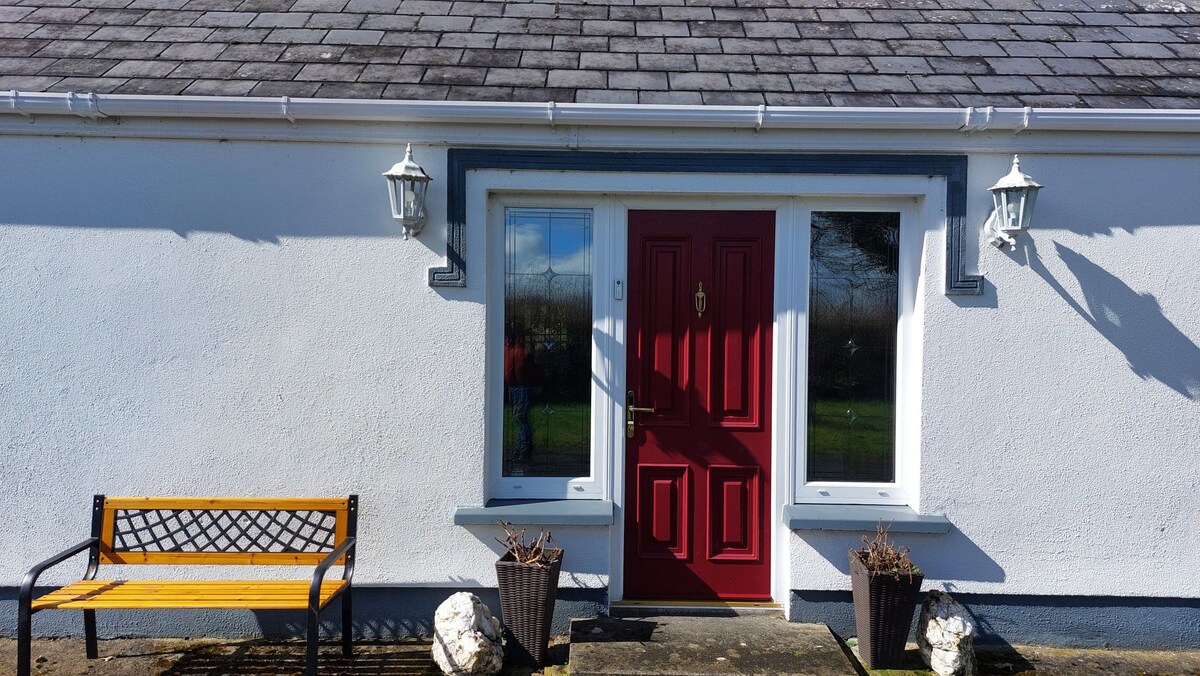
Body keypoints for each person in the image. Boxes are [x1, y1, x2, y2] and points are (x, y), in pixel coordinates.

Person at [504, 326, 538, 464]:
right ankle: (523, 447)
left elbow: (520, 368)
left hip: (521, 386)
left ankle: (525, 448)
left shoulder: (518, 350)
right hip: (513, 386)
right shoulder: (509, 349)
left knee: (519, 417)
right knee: (518, 417)